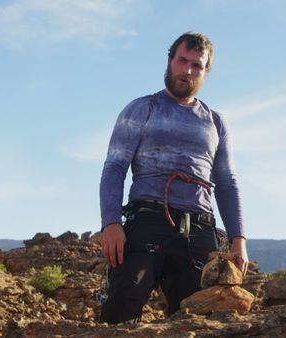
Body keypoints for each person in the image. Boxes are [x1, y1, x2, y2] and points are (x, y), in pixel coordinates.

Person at [98, 32, 248, 324]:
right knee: (121, 306)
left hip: (200, 229)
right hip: (147, 221)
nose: (188, 70)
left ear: (205, 72)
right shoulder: (142, 109)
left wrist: (238, 239)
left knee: (196, 321)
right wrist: (111, 223)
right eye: (182, 61)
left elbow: (227, 182)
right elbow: (114, 167)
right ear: (170, 61)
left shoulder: (215, 122)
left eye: (197, 65)